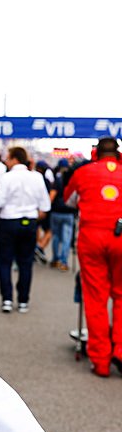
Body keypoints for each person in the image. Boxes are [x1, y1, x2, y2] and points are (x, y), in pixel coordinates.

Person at [63, 138, 122, 377]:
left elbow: (69, 200)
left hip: (92, 238)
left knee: (96, 298)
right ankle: (120, 351)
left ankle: (100, 360)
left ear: (95, 153)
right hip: (120, 238)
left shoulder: (83, 172)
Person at [0, 146, 51, 313]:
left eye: (8, 158)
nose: (7, 161)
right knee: (26, 262)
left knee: (5, 261)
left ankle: (7, 299)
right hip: (29, 222)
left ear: (14, 159)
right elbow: (45, 205)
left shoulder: (7, 177)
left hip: (8, 222)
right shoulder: (37, 177)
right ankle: (23, 300)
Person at [49, 158, 76, 271]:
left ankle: (55, 259)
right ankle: (63, 262)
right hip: (68, 212)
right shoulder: (72, 180)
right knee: (66, 238)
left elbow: (52, 195)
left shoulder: (57, 180)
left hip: (56, 211)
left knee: (56, 236)